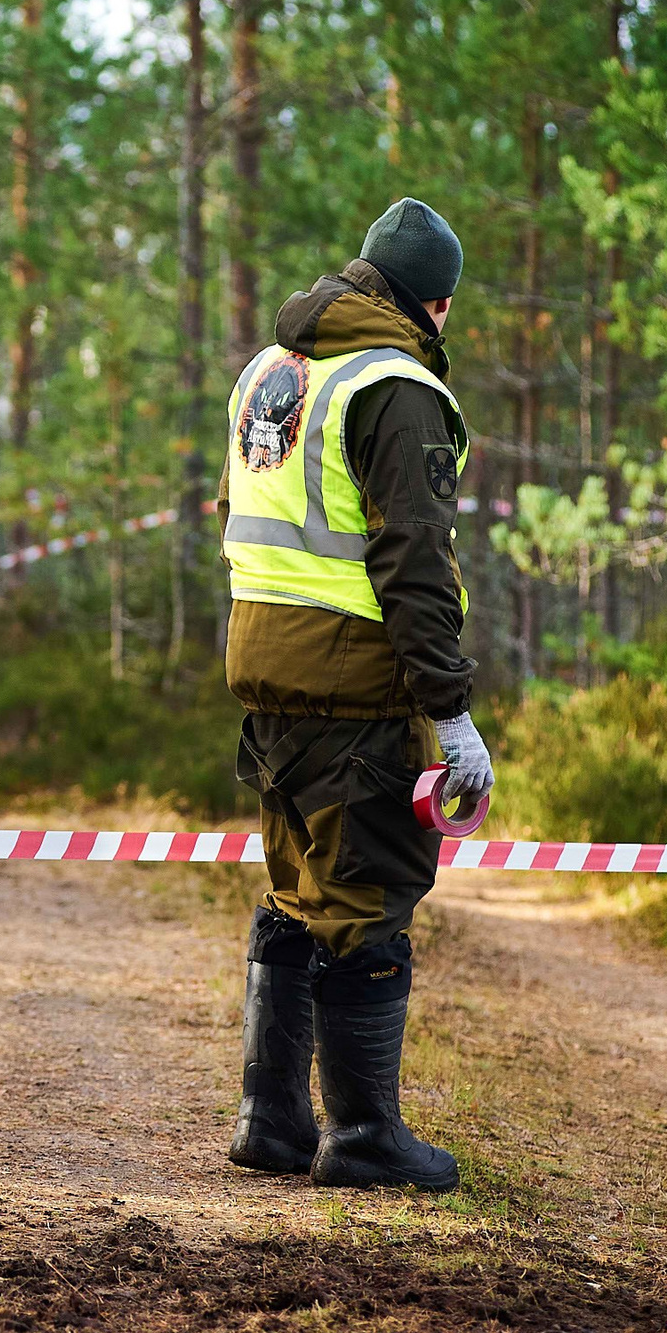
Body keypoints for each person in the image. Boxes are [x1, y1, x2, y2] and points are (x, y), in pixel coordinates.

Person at [216, 196, 493, 1192]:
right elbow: (413, 559)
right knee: (368, 892)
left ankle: (272, 1120)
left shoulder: (273, 368)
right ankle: (366, 1135)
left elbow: (238, 510)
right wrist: (449, 709)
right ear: (435, 302)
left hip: (267, 667)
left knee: (298, 888)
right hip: (354, 682)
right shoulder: (395, 385)